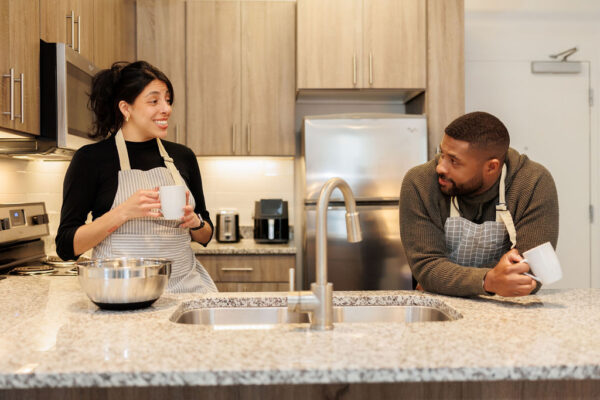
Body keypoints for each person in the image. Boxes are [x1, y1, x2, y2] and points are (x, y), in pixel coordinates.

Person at [56, 61, 217, 293]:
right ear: (126, 108)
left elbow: (206, 235)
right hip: (123, 296)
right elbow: (66, 246)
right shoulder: (91, 159)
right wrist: (123, 212)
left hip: (187, 291)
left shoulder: (183, 156)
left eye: (168, 100)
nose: (167, 108)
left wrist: (196, 223)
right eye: (154, 101)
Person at [399, 111, 559, 297]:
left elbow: (531, 275)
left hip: (510, 311)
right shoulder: (419, 182)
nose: (440, 167)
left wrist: (445, 280)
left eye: (454, 161)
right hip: (439, 305)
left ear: (491, 167)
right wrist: (488, 280)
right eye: (441, 154)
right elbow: (427, 268)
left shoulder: (532, 182)